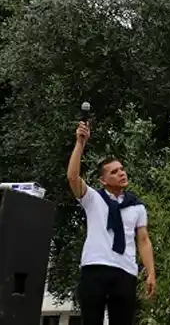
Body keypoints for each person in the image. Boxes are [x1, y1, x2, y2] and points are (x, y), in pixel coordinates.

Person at [67, 121, 156, 325]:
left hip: (125, 271)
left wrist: (151, 273)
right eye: (114, 172)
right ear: (103, 181)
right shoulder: (93, 199)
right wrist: (80, 143)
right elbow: (73, 177)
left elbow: (143, 240)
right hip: (94, 268)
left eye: (122, 169)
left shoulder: (137, 206)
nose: (121, 173)